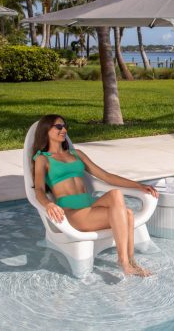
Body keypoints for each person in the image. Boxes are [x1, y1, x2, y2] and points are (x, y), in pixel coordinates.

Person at [32, 114, 159, 276]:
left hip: (89, 205)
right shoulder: (42, 159)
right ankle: (124, 261)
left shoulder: (77, 154)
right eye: (58, 127)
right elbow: (38, 190)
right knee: (126, 214)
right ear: (46, 130)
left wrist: (139, 186)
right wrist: (49, 204)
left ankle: (130, 261)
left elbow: (106, 176)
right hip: (72, 212)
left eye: (65, 126)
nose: (64, 130)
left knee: (119, 200)